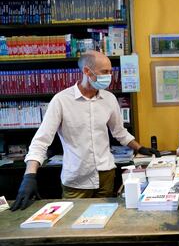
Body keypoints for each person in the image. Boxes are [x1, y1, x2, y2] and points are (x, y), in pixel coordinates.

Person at [11, 50, 160, 211]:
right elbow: (41, 141)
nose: (109, 76)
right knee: (73, 227)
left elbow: (119, 132)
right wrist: (29, 176)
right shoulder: (61, 100)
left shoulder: (109, 99)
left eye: (110, 72)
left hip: (106, 174)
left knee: (106, 222)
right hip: (77, 179)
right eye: (104, 72)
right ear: (87, 71)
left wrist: (140, 148)